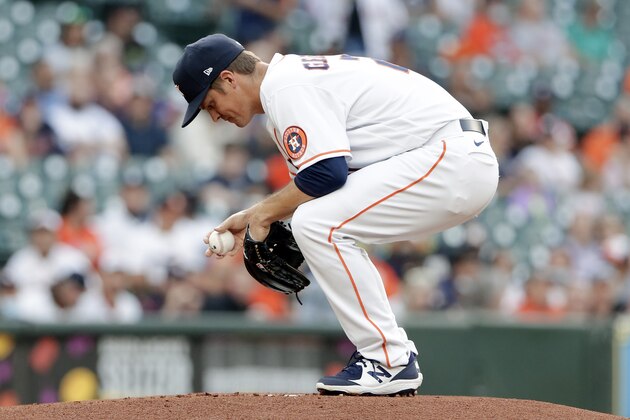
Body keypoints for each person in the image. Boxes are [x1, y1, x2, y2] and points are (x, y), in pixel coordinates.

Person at [172, 34, 499, 396]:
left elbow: (327, 175)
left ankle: (387, 360)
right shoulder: (289, 83)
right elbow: (322, 185)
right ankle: (387, 357)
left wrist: (263, 215)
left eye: (210, 102)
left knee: (316, 224)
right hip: (448, 158)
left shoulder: (286, 87)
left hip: (450, 159)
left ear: (229, 79)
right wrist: (252, 216)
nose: (214, 116)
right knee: (317, 220)